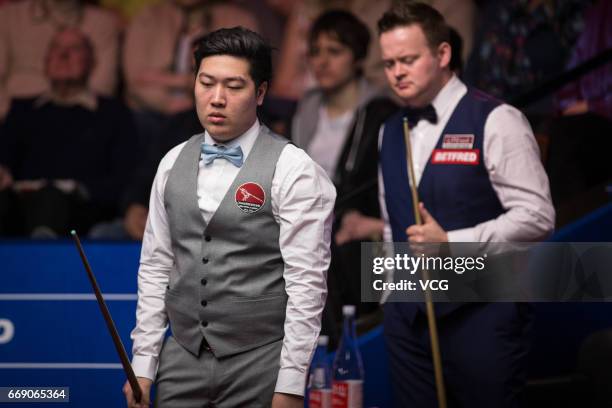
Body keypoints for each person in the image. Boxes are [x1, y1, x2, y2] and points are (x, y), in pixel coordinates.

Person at [122, 27, 336, 408]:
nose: (216, 99)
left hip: (261, 363)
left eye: (234, 87)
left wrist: (289, 384)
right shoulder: (172, 163)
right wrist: (143, 365)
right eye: (206, 83)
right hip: (182, 359)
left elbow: (307, 285)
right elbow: (156, 268)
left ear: (260, 92)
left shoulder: (294, 169)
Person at [376, 3, 555, 407]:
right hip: (408, 319)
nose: (397, 72)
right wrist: (390, 295)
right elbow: (392, 223)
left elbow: (539, 216)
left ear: (442, 54)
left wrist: (453, 242)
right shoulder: (388, 131)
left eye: (408, 59)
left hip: (483, 309)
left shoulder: (496, 119)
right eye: (389, 63)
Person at [291, 9, 397, 339]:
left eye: (334, 52)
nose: (322, 62)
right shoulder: (307, 108)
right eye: (315, 52)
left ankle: (338, 343)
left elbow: (377, 185)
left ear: (358, 58)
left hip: (358, 223)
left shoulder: (382, 111)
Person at [0, 28, 136, 237]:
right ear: (45, 62)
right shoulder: (21, 110)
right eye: (56, 49)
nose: (63, 55)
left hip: (81, 211)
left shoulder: (114, 113)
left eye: (74, 49)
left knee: (51, 202)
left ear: (92, 63)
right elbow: (4, 161)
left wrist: (77, 189)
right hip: (19, 205)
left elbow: (124, 179)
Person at [0, 0, 120, 120]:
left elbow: (102, 89)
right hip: (12, 118)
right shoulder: (8, 16)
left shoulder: (104, 23)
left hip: (81, 119)